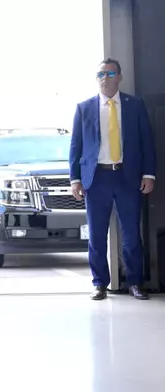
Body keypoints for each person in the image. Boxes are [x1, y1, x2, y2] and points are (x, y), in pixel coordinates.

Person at [69, 58, 156, 301]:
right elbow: (76, 146)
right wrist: (75, 179)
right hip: (97, 179)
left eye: (109, 73)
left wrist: (149, 174)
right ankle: (99, 284)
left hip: (127, 177)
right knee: (97, 235)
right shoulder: (84, 108)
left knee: (131, 234)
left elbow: (146, 142)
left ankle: (135, 283)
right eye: (100, 74)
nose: (104, 78)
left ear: (119, 77)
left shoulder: (134, 105)